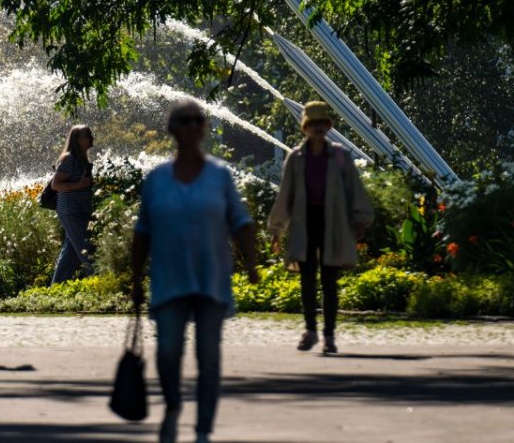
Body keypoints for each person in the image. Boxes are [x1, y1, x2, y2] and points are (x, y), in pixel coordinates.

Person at [131, 101, 259, 443]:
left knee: (209, 357)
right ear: (173, 129)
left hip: (211, 278)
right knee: (168, 351)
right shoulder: (156, 179)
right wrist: (133, 279)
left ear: (203, 128)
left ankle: (203, 430)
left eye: (197, 120)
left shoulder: (219, 175)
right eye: (184, 121)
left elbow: (241, 221)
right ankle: (173, 406)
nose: (191, 126)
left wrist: (252, 265)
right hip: (168, 278)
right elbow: (142, 232)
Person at [268, 100, 374, 355]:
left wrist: (359, 219)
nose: (317, 128)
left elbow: (354, 190)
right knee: (306, 280)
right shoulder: (296, 158)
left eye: (321, 123)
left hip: (333, 223)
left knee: (329, 280)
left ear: (327, 126)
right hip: (306, 223)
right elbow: (286, 195)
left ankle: (328, 335)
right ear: (305, 127)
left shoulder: (340, 156)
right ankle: (311, 330)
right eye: (312, 123)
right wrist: (277, 229)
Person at [50, 124, 96, 285]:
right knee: (87, 249)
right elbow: (55, 185)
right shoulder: (69, 159)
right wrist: (80, 185)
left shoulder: (82, 160)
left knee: (70, 254)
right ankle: (100, 284)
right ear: (77, 140)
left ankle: (56, 288)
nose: (92, 137)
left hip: (80, 211)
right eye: (88, 135)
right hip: (71, 211)